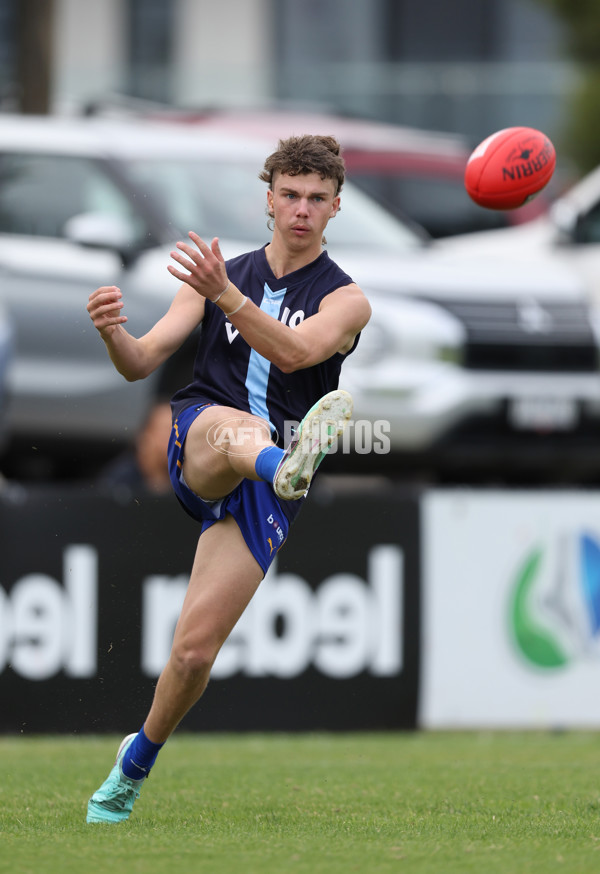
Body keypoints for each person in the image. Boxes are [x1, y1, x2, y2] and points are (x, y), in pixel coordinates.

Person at [85, 134, 372, 824]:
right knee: (236, 430)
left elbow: (300, 349)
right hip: (209, 440)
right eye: (290, 195)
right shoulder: (219, 272)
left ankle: (134, 765)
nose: (301, 209)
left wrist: (230, 299)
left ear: (336, 207)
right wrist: (111, 333)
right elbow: (141, 360)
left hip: (262, 480)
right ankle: (288, 465)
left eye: (316, 199)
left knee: (192, 652)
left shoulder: (348, 300)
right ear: (268, 198)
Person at [96, 398, 173, 496]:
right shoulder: (120, 481)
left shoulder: (187, 479)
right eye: (167, 430)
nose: (176, 439)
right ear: (145, 436)